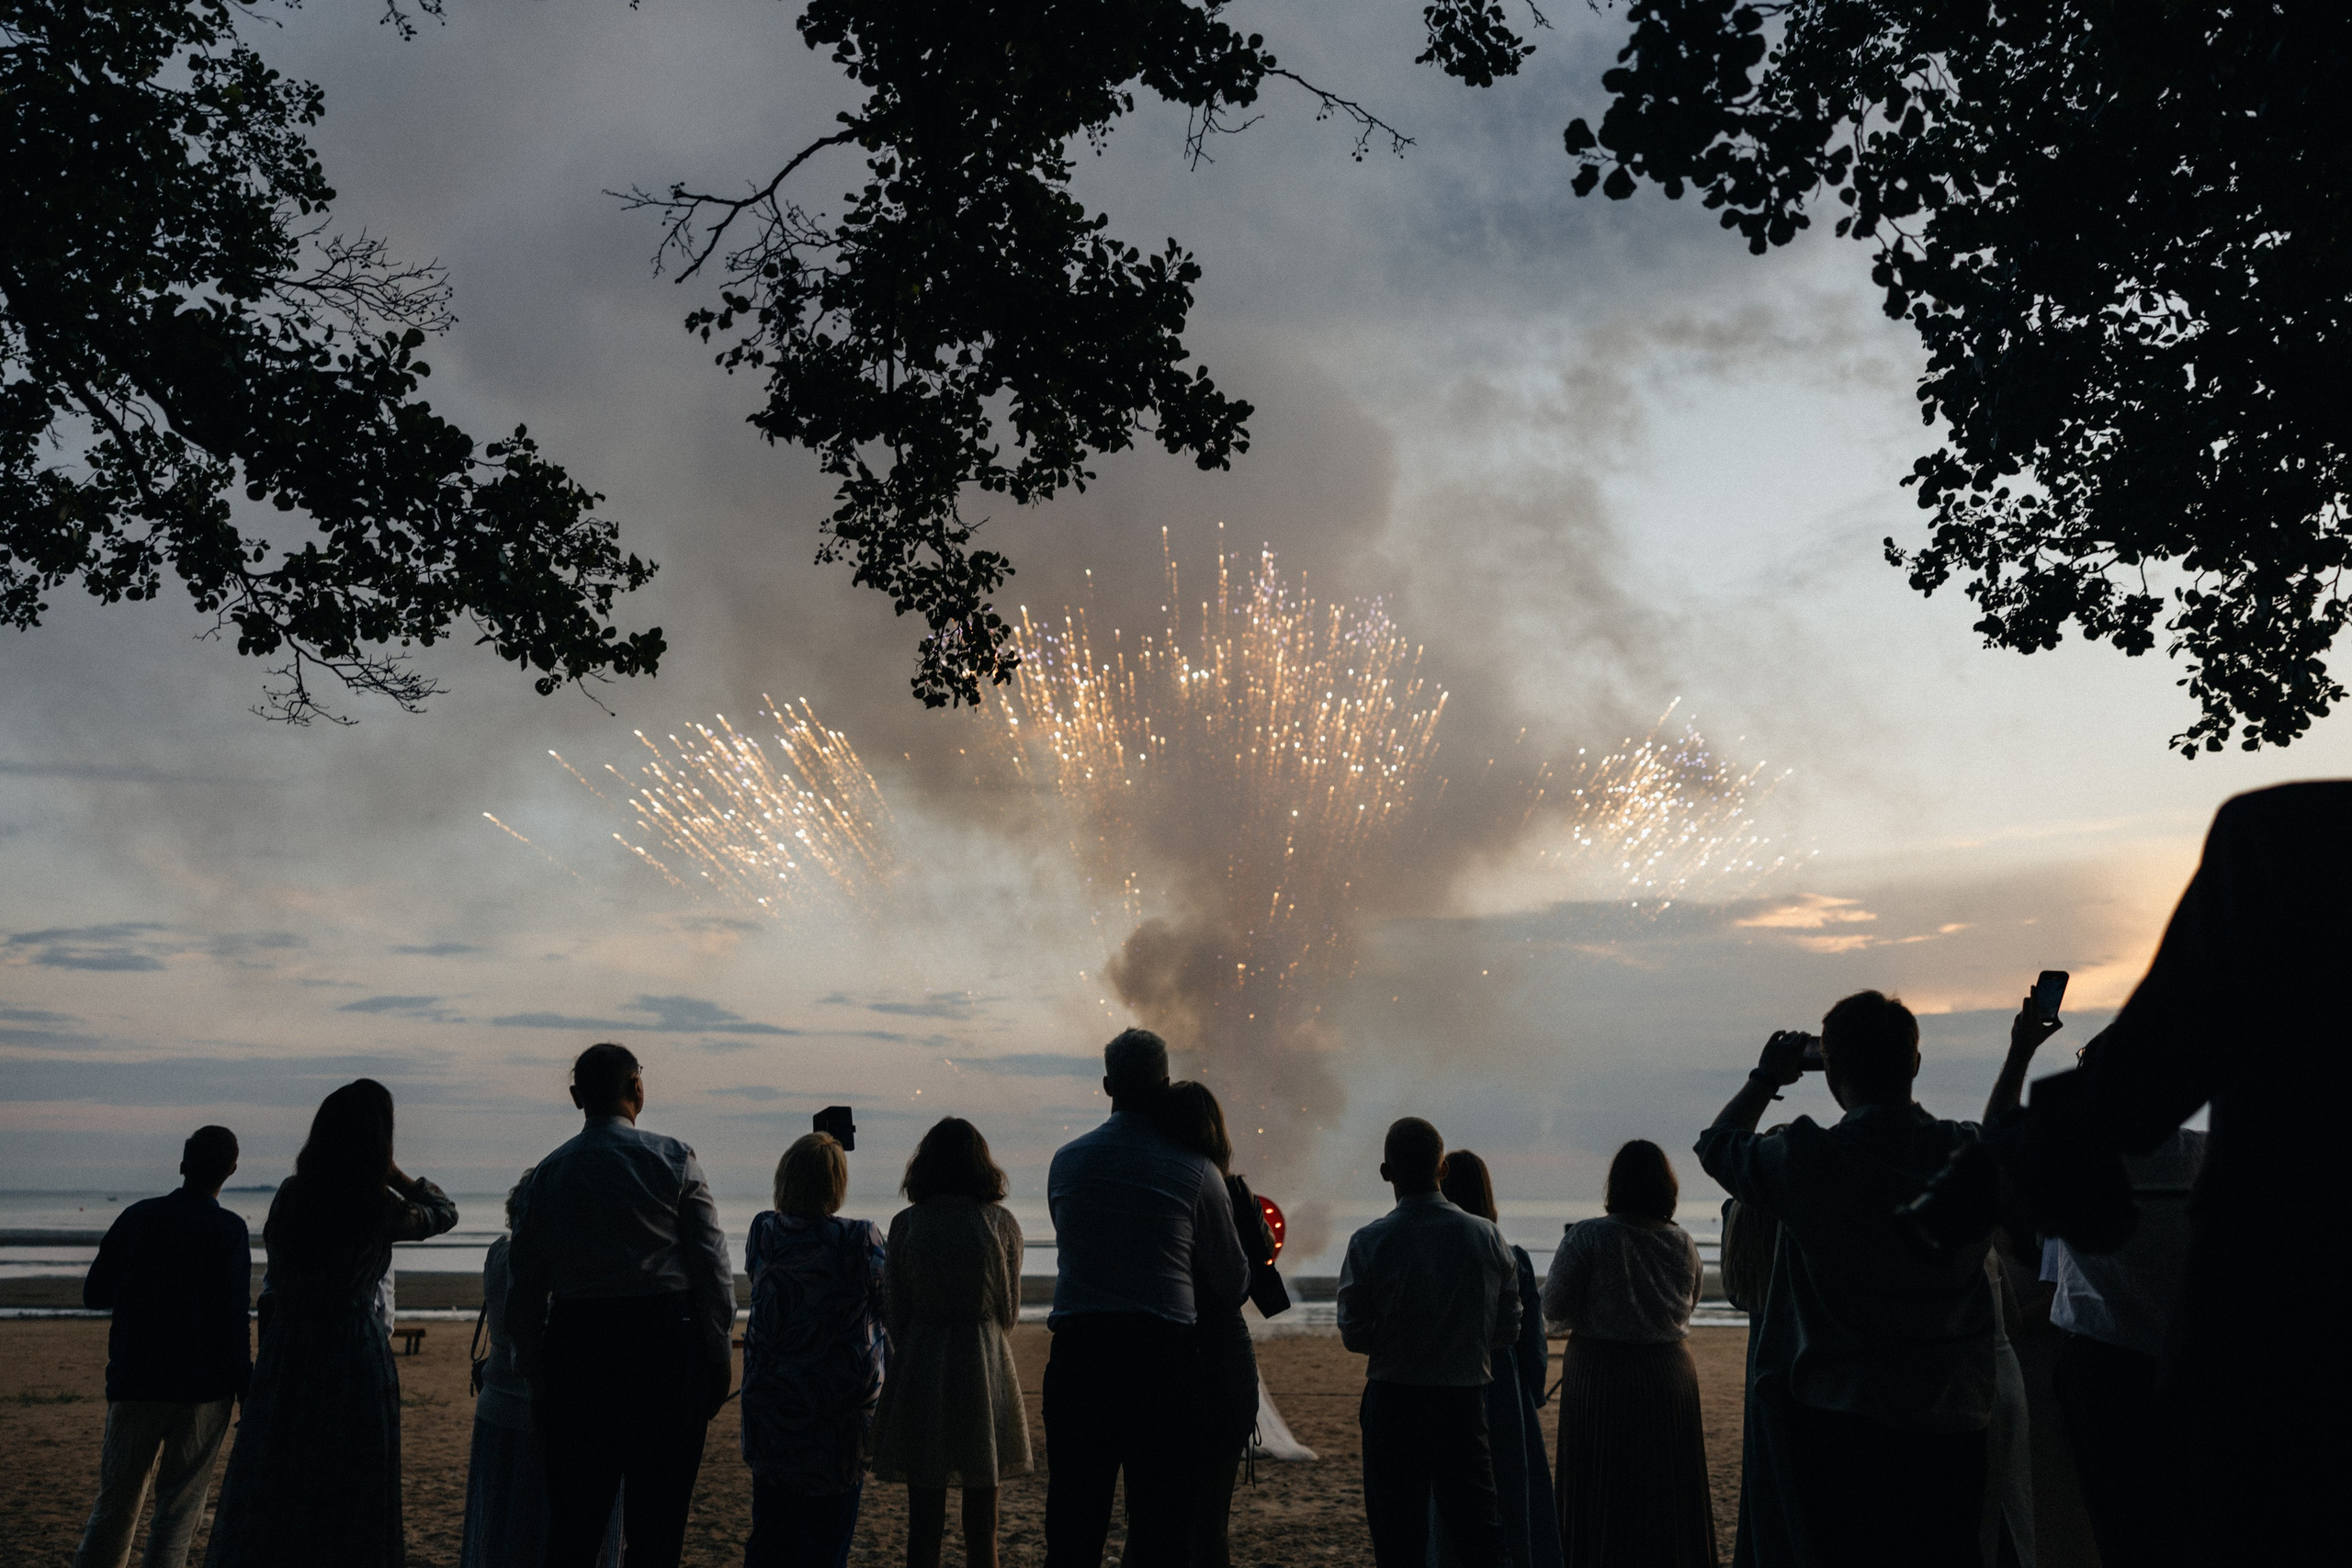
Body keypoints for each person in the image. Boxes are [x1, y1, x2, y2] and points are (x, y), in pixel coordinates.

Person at [1696, 993, 1994, 1568]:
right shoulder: (1967, 1151)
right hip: (1952, 1411)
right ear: (1914, 1063)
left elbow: (1717, 1146)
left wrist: (1766, 1077)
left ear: (1830, 1069)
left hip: (1842, 1417)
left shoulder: (1808, 1157)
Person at [205, 1079, 459, 1567]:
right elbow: (444, 1214)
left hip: (290, 1350)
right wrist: (395, 1175)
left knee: (283, 1474)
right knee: (353, 1483)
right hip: (354, 1351)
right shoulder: (377, 1205)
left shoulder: (292, 1196)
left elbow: (273, 1288)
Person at [506, 1043, 735, 1568]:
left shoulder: (548, 1174)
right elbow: (713, 1272)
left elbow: (525, 1287)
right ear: (638, 1088)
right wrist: (718, 1353)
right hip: (665, 1346)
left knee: (575, 1526)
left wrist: (535, 1371)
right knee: (658, 1527)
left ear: (575, 1098)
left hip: (578, 1346)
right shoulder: (675, 1158)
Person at [1043, 1030, 1250, 1568]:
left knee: (1073, 1520)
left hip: (1079, 1357)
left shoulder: (1067, 1163)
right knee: (1161, 1523)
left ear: (1107, 1084)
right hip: (1162, 1361)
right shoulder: (1196, 1172)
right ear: (1163, 1083)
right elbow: (1230, 1284)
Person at [1337, 1117, 1520, 1568]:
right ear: (1443, 1168)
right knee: (1479, 1533)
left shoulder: (1369, 1241)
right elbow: (1507, 1328)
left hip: (1393, 1399)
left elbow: (1354, 1333)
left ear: (1386, 1172)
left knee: (1397, 1536)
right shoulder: (1486, 1236)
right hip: (1461, 1399)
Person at [74, 1126, 252, 1568]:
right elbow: (233, 1321)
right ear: (231, 1171)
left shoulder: (138, 1218)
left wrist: (142, 1291)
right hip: (204, 1388)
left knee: (115, 1506)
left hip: (137, 1380)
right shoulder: (229, 1229)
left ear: (182, 1164)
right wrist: (246, 1388)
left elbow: (94, 1293)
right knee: (179, 1510)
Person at [1542, 1139, 1712, 1568]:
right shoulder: (1683, 1241)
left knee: (1601, 1486)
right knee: (1666, 1489)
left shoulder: (1589, 1236)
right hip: (1669, 1373)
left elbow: (1554, 1309)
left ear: (1614, 1185)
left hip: (1603, 1374)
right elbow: (1688, 1304)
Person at [870, 1117, 1031, 1568]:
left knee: (924, 1522)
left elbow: (894, 1311)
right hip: (983, 1362)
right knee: (983, 1523)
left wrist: (923, 1336)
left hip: (923, 1360)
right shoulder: (1000, 1223)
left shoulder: (907, 1224)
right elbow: (1010, 1312)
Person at [458, 1171, 621, 1568]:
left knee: (500, 1532)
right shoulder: (567, 1269)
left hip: (497, 1410)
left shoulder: (498, 1254)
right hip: (552, 1418)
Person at [1149, 1080, 1281, 1568]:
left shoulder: (1155, 1190)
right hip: (1222, 1354)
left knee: (1155, 1516)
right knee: (1210, 1521)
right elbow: (1235, 1284)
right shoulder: (1228, 1190)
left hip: (1166, 1356)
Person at [741, 1132, 888, 1568]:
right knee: (826, 1543)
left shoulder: (763, 1230)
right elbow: (889, 1305)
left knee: (770, 1535)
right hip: (836, 1413)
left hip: (774, 1406)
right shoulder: (861, 1240)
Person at [1434, 1150, 1563, 1568]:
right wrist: (1534, 1390)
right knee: (1510, 1492)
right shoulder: (1511, 1253)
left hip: (1440, 1378)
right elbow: (1530, 1336)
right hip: (1504, 1384)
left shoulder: (1431, 1248)